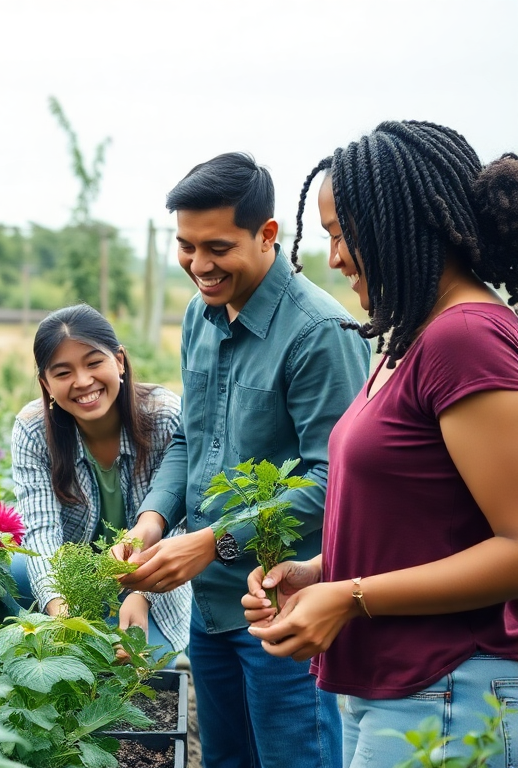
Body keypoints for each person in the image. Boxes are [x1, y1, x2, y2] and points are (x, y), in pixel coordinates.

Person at [243, 121, 518, 767]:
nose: (334, 258)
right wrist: (321, 574)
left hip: (451, 691)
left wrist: (351, 596)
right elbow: (424, 521)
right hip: (406, 692)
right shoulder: (414, 339)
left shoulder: (465, 339)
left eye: (342, 234)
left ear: (402, 223)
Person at [113, 153, 370, 768]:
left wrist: (214, 541)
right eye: (186, 246)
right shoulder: (199, 317)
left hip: (281, 603)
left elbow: (336, 481)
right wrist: (152, 520)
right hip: (211, 608)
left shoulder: (319, 332)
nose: (199, 265)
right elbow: (189, 440)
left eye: (218, 248)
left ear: (267, 234)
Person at [9, 304, 191, 663]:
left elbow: (181, 525)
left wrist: (143, 595)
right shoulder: (32, 430)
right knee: (9, 570)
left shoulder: (165, 416)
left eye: (94, 363)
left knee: (140, 666)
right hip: (74, 582)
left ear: (119, 361)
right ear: (46, 384)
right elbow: (41, 533)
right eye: (63, 372)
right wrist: (61, 613)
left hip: (151, 578)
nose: (82, 381)